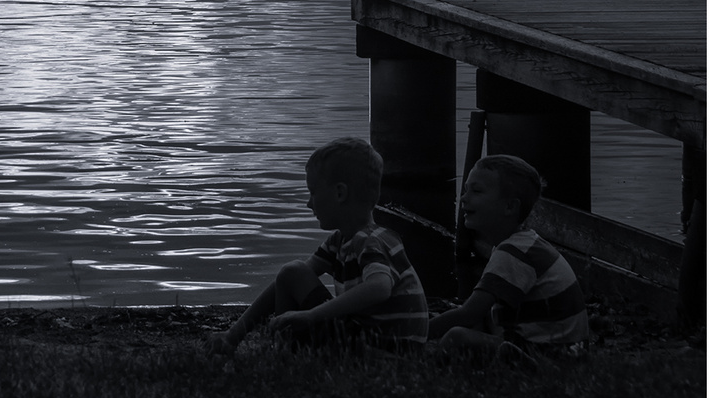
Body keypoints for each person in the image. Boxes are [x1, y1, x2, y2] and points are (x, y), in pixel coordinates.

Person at [209, 136, 429, 355]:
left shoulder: (370, 241)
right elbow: (287, 280)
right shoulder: (341, 241)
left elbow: (380, 288)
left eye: (313, 192)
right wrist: (234, 334)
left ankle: (287, 353)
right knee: (291, 272)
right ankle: (285, 349)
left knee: (292, 272)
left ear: (340, 193)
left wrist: (310, 315)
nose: (308, 203)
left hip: (384, 350)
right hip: (366, 339)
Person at [428, 154, 590, 361]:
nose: (464, 198)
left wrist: (413, 332)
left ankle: (425, 362)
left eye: (476, 191)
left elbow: (469, 313)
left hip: (552, 356)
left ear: (510, 207)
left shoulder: (514, 253)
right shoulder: (521, 244)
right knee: (475, 323)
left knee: (457, 336)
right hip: (561, 349)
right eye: (466, 189)